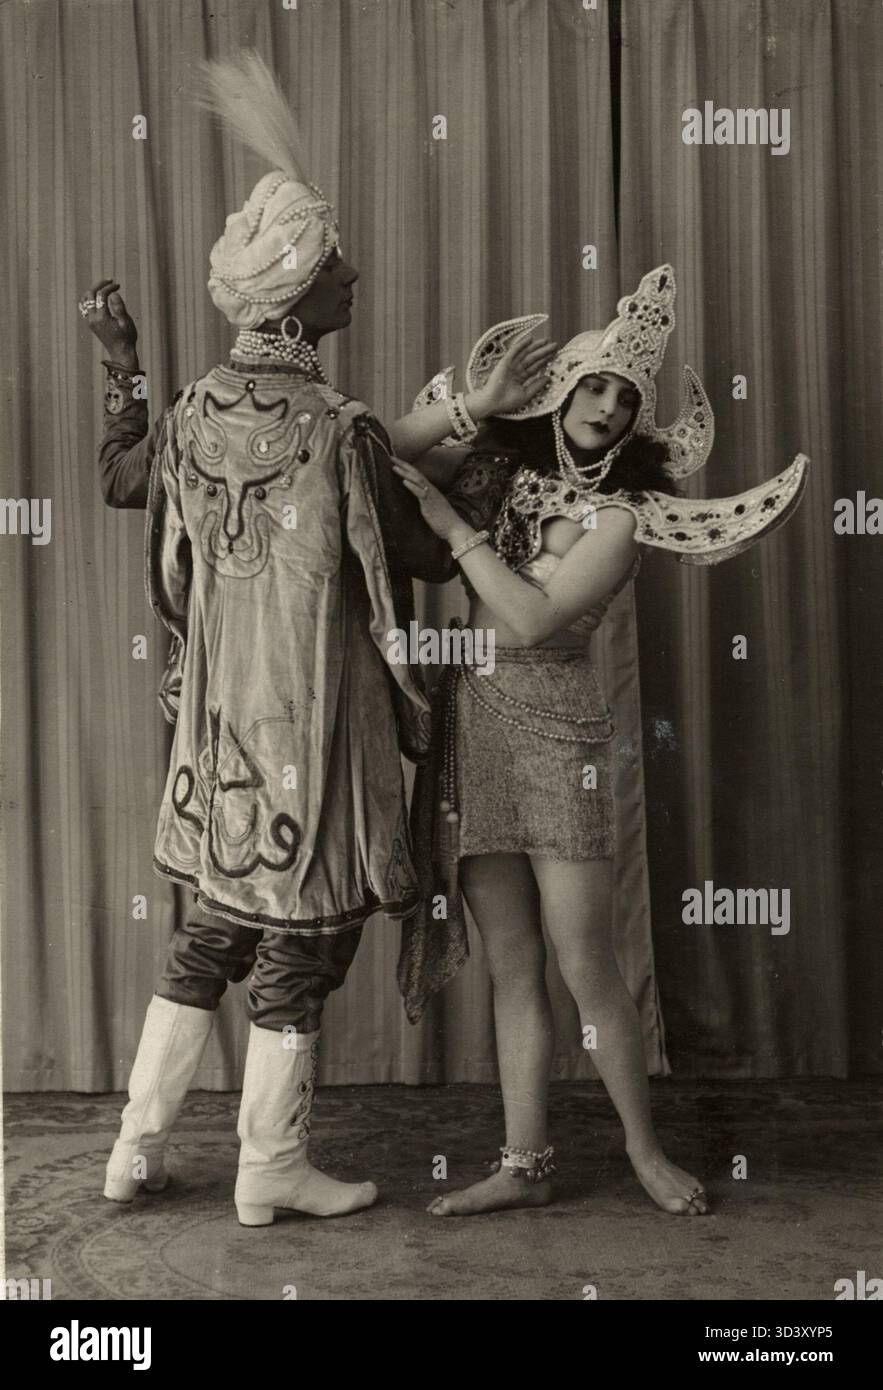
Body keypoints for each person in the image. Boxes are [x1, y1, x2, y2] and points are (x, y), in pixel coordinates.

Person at [77, 51, 463, 1227]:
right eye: (338, 262)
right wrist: (475, 459)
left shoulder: (194, 415)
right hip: (314, 724)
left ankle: (133, 1150)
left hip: (219, 731)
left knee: (205, 938)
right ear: (302, 297)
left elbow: (115, 482)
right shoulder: (338, 433)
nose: (355, 273)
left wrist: (124, 372)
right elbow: (428, 555)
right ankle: (267, 1169)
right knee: (298, 950)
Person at [389, 265, 808, 1217]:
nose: (608, 406)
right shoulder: (503, 471)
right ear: (564, 391)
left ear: (634, 424)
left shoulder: (620, 518)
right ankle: (524, 1166)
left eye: (625, 399)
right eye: (595, 387)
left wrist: (454, 525)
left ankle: (643, 1150)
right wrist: (472, 414)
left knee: (586, 964)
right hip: (475, 727)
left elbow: (533, 621)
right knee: (510, 964)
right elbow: (379, 461)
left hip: (559, 733)